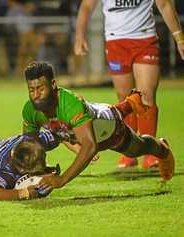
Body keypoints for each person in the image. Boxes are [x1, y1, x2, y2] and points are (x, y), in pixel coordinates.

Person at [21, 61, 175, 189]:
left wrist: (61, 180)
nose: (36, 95)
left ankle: (162, 148)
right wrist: (38, 170)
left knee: (136, 149)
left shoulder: (69, 104)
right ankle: (128, 105)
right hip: (86, 125)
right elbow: (30, 146)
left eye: (41, 89)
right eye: (31, 90)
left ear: (53, 84)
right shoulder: (30, 110)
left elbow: (90, 147)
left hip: (110, 131)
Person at [74, 0, 184, 169]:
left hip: (144, 39)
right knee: (126, 99)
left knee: (146, 94)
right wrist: (79, 35)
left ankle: (151, 152)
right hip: (116, 42)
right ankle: (129, 152)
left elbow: (165, 4)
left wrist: (179, 37)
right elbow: (86, 6)